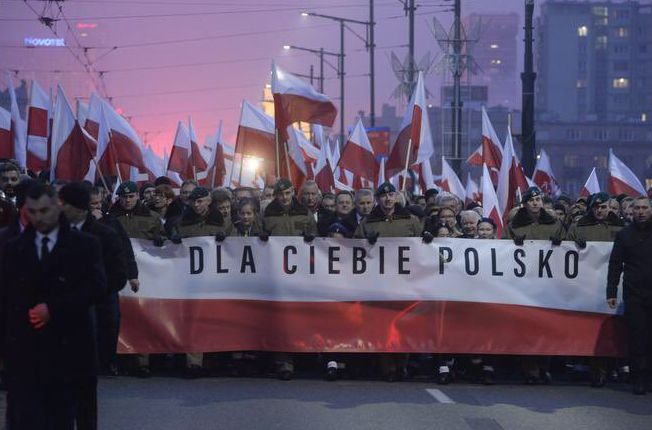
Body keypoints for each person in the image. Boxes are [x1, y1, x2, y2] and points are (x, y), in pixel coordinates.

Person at [0, 183, 107, 430]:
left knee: (61, 416)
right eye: (33, 211)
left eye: (45, 210)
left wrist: (55, 308)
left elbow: (96, 287)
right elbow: (6, 300)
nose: (39, 217)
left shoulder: (85, 245)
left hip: (68, 345)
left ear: (56, 207)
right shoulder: (13, 248)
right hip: (25, 348)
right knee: (24, 416)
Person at [59, 183, 128, 430]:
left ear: (78, 207)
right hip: (58, 323)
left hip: (94, 318)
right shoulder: (51, 234)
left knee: (85, 390)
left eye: (63, 203)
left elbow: (118, 275)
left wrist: (86, 295)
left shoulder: (104, 234)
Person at [354, 182, 422, 382]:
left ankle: (402, 365)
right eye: (383, 196)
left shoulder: (410, 220)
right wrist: (366, 243)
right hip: (378, 283)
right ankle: (388, 368)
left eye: (391, 195)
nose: (387, 199)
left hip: (404, 282)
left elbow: (422, 248)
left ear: (396, 196)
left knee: (403, 324)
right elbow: (353, 249)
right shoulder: (368, 222)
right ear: (378, 199)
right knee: (383, 324)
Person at [503, 186, 565, 384]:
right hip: (524, 283)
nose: (536, 203)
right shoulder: (514, 225)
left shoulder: (554, 223)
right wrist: (512, 245)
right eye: (532, 200)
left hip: (548, 283)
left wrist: (561, 242)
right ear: (525, 203)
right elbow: (501, 249)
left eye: (538, 199)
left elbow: (569, 244)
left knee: (546, 326)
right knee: (528, 327)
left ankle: (544, 366)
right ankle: (530, 370)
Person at [173, 186, 233, 377]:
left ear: (208, 201)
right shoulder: (182, 222)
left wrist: (228, 240)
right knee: (195, 320)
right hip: (192, 280)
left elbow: (237, 248)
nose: (196, 205)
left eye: (200, 201)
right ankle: (194, 363)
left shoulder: (223, 221)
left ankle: (217, 359)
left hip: (217, 279)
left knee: (218, 320)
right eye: (193, 202)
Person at [262, 178, 317, 380]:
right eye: (280, 194)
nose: (284, 198)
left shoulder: (304, 212)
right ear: (275, 195)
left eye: (287, 193)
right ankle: (284, 362)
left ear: (293, 192)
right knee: (280, 318)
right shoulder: (267, 214)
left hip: (301, 274)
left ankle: (303, 357)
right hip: (277, 275)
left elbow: (317, 239)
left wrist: (312, 238)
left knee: (301, 317)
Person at [606, 196, 652, 395]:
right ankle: (639, 378)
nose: (641, 211)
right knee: (637, 338)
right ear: (631, 211)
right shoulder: (624, 235)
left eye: (645, 208)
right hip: (634, 294)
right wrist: (611, 292)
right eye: (637, 208)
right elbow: (615, 265)